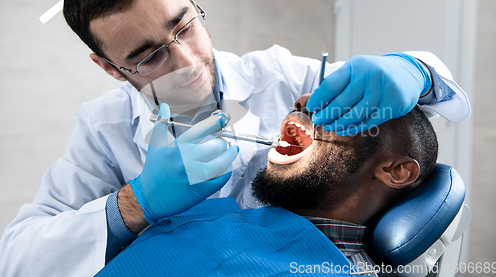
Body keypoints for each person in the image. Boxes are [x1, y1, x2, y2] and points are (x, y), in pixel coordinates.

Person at [0, 0, 469, 277]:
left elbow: (406, 117)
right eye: (148, 57)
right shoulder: (104, 131)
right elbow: (16, 258)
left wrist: (416, 71)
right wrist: (133, 205)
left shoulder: (278, 74)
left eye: (184, 26)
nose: (185, 62)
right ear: (110, 68)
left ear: (190, 1)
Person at [95, 94, 438, 277]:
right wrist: (135, 203)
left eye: (344, 109)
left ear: (396, 171)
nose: (304, 101)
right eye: (312, 101)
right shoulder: (213, 212)